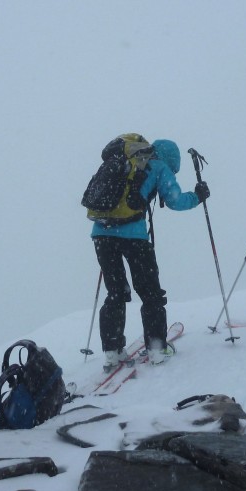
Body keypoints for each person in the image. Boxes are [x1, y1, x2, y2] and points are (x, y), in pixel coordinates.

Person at [90, 138, 209, 371]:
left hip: (101, 234)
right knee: (150, 292)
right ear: (171, 160)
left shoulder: (124, 163)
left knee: (115, 292)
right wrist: (198, 196)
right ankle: (156, 348)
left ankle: (112, 353)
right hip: (134, 237)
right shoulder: (159, 167)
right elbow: (174, 201)